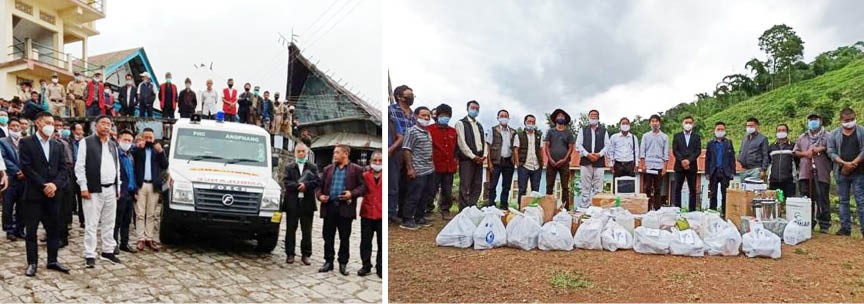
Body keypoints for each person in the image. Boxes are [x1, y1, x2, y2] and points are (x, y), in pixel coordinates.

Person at [19, 112, 70, 277]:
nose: (51, 126)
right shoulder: (26, 142)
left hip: (54, 195)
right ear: (38, 123)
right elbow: (26, 168)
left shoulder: (58, 145)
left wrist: (54, 185)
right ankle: (32, 262)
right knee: (31, 231)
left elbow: (64, 169)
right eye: (47, 122)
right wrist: (43, 185)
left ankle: (52, 260)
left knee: (53, 229)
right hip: (34, 195)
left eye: (53, 123)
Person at [74, 115, 122, 267]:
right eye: (103, 123)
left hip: (111, 188)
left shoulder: (113, 145)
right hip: (93, 189)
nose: (107, 126)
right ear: (96, 125)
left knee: (109, 222)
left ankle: (108, 250)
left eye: (109, 124)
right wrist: (83, 187)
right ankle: (90, 253)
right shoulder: (86, 142)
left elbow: (117, 167)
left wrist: (118, 187)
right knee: (91, 223)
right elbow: (79, 166)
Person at [315, 145, 366, 275]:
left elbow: (363, 187)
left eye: (337, 152)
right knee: (328, 236)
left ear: (345, 154)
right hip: (330, 207)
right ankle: (328, 261)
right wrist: (320, 196)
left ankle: (343, 263)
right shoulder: (328, 169)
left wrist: (352, 194)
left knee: (344, 237)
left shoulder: (356, 169)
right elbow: (318, 186)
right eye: (334, 152)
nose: (334, 155)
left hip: (345, 208)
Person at [827, 107, 864, 236]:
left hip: (859, 172)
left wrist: (853, 163)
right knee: (843, 200)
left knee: (861, 200)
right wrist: (844, 164)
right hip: (841, 172)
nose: (849, 122)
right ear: (841, 120)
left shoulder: (862, 132)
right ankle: (845, 228)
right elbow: (831, 152)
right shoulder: (833, 134)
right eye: (847, 120)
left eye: (852, 119)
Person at [282, 143, 319, 266]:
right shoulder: (289, 167)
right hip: (292, 202)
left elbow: (317, 181)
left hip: (307, 202)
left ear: (307, 153)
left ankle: (306, 254)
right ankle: (290, 253)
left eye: (303, 151)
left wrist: (306, 186)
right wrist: (298, 186)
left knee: (306, 230)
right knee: (290, 229)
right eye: (299, 151)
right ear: (295, 152)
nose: (301, 153)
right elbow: (286, 182)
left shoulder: (312, 167)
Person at [132, 128, 169, 251]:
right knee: (140, 213)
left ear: (154, 138)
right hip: (141, 184)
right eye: (146, 137)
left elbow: (164, 165)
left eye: (150, 138)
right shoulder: (138, 150)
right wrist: (138, 147)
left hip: (153, 185)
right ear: (142, 138)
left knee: (151, 214)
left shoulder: (157, 150)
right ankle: (140, 238)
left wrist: (161, 151)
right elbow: (132, 155)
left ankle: (149, 238)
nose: (148, 140)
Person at [794, 114, 831, 233]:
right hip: (805, 172)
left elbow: (834, 151)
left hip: (822, 172)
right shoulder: (802, 137)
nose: (813, 122)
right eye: (810, 120)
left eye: (815, 120)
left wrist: (822, 149)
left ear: (820, 121)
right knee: (806, 198)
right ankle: (808, 222)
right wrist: (805, 154)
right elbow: (795, 152)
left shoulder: (828, 136)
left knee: (822, 198)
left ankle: (824, 224)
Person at [400, 107, 434, 230]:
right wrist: (410, 168)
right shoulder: (412, 131)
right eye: (423, 115)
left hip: (428, 169)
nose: (426, 118)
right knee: (413, 195)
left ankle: (419, 217)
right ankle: (407, 219)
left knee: (424, 196)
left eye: (428, 116)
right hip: (417, 169)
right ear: (415, 116)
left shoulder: (427, 132)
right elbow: (407, 149)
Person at [387, 85, 415, 223]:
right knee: (393, 183)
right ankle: (391, 213)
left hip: (410, 152)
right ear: (399, 97)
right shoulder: (391, 110)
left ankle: (403, 212)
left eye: (412, 95)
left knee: (407, 183)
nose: (411, 97)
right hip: (396, 151)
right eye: (408, 95)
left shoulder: (413, 114)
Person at [426, 104, 458, 219]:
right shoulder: (429, 129)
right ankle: (428, 209)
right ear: (437, 116)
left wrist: (455, 162)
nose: (445, 117)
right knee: (431, 188)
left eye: (447, 115)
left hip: (449, 166)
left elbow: (456, 149)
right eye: (442, 115)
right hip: (434, 165)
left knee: (447, 189)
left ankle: (445, 209)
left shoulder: (453, 131)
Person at [456, 100, 486, 210]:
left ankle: (473, 207)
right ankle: (463, 210)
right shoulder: (461, 123)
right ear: (467, 109)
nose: (475, 110)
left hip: (480, 159)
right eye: (473, 108)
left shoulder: (479, 125)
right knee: (465, 185)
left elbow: (483, 141)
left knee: (477, 184)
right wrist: (473, 156)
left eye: (477, 109)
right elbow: (462, 143)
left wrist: (484, 156)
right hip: (467, 159)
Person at [577, 109, 610, 209]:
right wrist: (587, 155)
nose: (594, 117)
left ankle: (597, 207)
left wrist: (599, 155)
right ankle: (584, 207)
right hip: (586, 161)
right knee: (585, 187)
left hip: (599, 161)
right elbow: (578, 144)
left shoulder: (603, 130)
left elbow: (608, 145)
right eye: (592, 115)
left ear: (598, 118)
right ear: (588, 117)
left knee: (598, 187)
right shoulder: (583, 130)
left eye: (596, 115)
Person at [486, 109, 516, 210]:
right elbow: (488, 147)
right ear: (498, 118)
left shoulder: (512, 132)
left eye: (505, 116)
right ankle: (491, 205)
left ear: (508, 118)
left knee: (506, 186)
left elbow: (515, 147)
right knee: (492, 185)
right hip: (496, 161)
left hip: (508, 162)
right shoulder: (492, 130)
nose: (504, 118)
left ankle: (504, 205)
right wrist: (489, 162)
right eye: (501, 116)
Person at [545, 109, 575, 209]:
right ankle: (548, 207)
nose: (560, 118)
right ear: (555, 118)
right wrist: (550, 159)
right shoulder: (550, 132)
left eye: (562, 116)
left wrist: (564, 159)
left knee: (565, 187)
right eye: (559, 116)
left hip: (564, 163)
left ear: (565, 119)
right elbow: (546, 146)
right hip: (551, 163)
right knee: (549, 185)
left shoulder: (568, 133)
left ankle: (565, 208)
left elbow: (571, 148)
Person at [359, 151, 382, 278]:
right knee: (365, 242)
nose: (377, 163)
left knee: (381, 243)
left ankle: (380, 267)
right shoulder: (365, 176)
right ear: (370, 162)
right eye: (375, 161)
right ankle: (366, 265)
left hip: (381, 213)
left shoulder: (387, 176)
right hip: (367, 212)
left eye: (380, 161)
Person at [114, 129, 137, 253]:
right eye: (125, 140)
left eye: (129, 140)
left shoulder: (130, 156)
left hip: (130, 193)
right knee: (116, 220)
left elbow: (132, 174)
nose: (127, 142)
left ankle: (125, 242)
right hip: (120, 192)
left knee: (127, 221)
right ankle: (114, 244)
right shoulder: (115, 155)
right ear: (119, 140)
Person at [1, 118, 25, 240]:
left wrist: (25, 171)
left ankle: (19, 229)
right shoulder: (3, 141)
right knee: (8, 206)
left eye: (18, 126)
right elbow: (3, 158)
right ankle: (9, 229)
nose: (16, 128)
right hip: (10, 177)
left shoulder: (24, 141)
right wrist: (16, 171)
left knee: (22, 205)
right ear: (9, 127)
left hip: (24, 178)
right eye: (13, 126)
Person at [640, 114, 670, 211]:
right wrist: (643, 164)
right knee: (647, 187)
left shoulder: (664, 137)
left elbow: (666, 153)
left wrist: (665, 167)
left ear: (659, 123)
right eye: (652, 121)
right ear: (650, 123)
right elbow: (642, 151)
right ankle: (647, 208)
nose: (654, 123)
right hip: (648, 165)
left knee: (658, 188)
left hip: (659, 165)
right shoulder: (645, 136)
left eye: (656, 121)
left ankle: (657, 208)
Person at [672, 116, 701, 211]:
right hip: (679, 167)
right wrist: (682, 161)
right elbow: (675, 150)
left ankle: (692, 211)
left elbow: (698, 151)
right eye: (686, 122)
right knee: (677, 189)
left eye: (690, 123)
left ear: (693, 124)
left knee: (692, 190)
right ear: (682, 123)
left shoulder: (696, 137)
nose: (688, 124)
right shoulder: (677, 136)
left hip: (692, 166)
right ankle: (677, 210)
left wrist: (689, 160)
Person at [513, 114, 543, 206]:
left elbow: (541, 149)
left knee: (535, 190)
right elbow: (515, 150)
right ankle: (521, 208)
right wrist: (518, 164)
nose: (531, 124)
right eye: (529, 122)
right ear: (525, 122)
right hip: (524, 165)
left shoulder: (539, 135)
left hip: (536, 166)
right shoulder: (519, 135)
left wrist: (542, 163)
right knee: (522, 189)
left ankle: (534, 209)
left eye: (533, 122)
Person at [705, 121, 736, 211]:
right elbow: (708, 159)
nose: (720, 131)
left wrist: (733, 172)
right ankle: (712, 213)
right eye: (718, 129)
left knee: (725, 194)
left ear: (725, 131)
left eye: (722, 129)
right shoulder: (710, 144)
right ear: (714, 130)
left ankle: (725, 213)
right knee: (713, 194)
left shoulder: (729, 143)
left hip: (725, 172)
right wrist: (707, 172)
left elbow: (732, 158)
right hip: (713, 172)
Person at [54, 119, 75, 248]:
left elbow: (68, 163)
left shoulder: (62, 144)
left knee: (61, 212)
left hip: (62, 182)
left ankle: (62, 237)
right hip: (48, 182)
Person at [768, 123, 797, 198]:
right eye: (779, 130)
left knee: (789, 203)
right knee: (775, 203)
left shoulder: (793, 146)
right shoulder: (771, 147)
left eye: (783, 130)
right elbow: (769, 162)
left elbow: (797, 161)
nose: (781, 132)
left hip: (789, 180)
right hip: (774, 180)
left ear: (787, 132)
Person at [608, 117, 640, 184]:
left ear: (629, 125)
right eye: (623, 123)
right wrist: (611, 164)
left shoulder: (634, 138)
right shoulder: (614, 137)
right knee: (617, 186)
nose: (625, 125)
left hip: (630, 165)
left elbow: (636, 152)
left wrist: (636, 164)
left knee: (630, 186)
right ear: (620, 125)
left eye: (626, 123)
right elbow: (611, 151)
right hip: (618, 165)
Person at [738, 117, 769, 182]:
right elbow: (741, 152)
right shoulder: (745, 138)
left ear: (757, 126)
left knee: (754, 189)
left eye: (751, 126)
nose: (749, 127)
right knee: (744, 190)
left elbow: (765, 155)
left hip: (755, 170)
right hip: (743, 170)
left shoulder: (763, 139)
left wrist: (763, 170)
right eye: (748, 126)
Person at [71, 123, 86, 227]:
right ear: (73, 131)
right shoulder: (69, 141)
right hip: (71, 172)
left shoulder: (85, 142)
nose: (80, 131)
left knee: (82, 198)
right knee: (70, 198)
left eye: (81, 129)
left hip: (82, 172)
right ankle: (68, 221)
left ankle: (83, 220)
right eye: (78, 129)